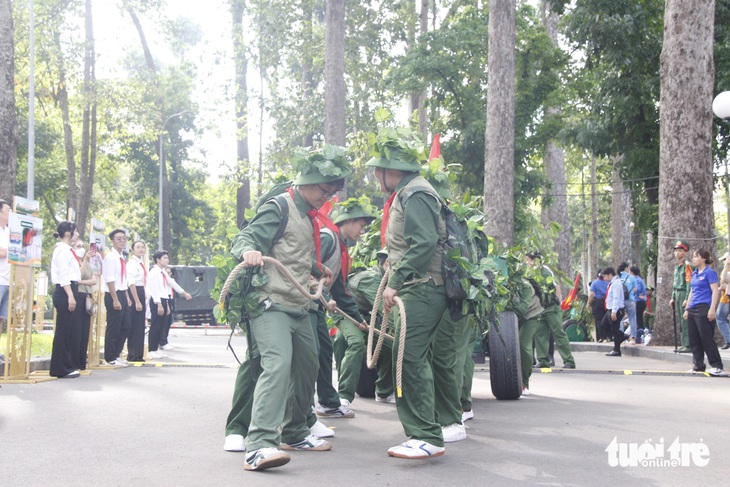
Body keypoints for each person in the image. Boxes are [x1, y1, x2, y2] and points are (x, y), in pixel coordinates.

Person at [224, 146, 347, 471]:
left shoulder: (308, 216)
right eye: (325, 189)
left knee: (309, 363)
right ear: (307, 181)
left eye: (332, 191)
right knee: (277, 364)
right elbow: (245, 236)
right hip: (270, 303)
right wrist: (249, 250)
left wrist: (317, 269)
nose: (328, 196)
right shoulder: (279, 207)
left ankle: (294, 431)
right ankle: (260, 444)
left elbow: (291, 252)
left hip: (299, 304)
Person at [366, 137, 452, 459]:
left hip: (424, 286)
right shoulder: (410, 191)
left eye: (378, 171)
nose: (376, 177)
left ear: (392, 171)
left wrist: (396, 280)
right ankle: (425, 431)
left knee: (410, 358)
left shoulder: (415, 192)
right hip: (421, 285)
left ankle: (426, 435)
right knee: (414, 357)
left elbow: (425, 242)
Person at [313, 200, 374, 423]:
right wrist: (325, 298)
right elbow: (306, 267)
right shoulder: (328, 237)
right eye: (360, 225)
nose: (362, 230)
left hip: (317, 306)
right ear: (347, 221)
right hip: (306, 302)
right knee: (311, 355)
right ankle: (304, 412)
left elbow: (340, 289)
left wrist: (358, 320)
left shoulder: (341, 247)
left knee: (324, 350)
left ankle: (329, 403)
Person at [334, 249, 394, 407]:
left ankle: (384, 392)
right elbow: (385, 309)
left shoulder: (384, 278)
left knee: (389, 347)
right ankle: (343, 395)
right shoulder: (372, 279)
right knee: (353, 343)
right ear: (387, 262)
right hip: (346, 314)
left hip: (366, 319)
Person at [527, 252, 576, 369]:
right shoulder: (530, 273)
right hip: (539, 308)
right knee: (540, 335)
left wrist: (559, 301)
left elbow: (556, 285)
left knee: (558, 333)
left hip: (551, 307)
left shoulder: (545, 271)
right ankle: (543, 361)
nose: (526, 263)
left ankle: (569, 361)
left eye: (528, 260)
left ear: (535, 260)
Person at [683, 249, 725, 376]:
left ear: (704, 259)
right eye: (693, 257)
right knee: (694, 339)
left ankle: (717, 366)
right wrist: (687, 309)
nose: (694, 259)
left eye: (696, 257)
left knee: (706, 338)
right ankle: (698, 365)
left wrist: (712, 308)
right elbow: (692, 291)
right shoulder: (695, 273)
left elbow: (715, 291)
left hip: (704, 307)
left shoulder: (709, 273)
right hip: (693, 308)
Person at [50, 222, 83, 378]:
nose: (78, 234)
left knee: (69, 330)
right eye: (76, 231)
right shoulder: (62, 250)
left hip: (71, 289)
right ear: (68, 233)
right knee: (63, 331)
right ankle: (60, 368)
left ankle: (67, 365)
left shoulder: (68, 250)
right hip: (65, 290)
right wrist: (70, 295)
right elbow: (63, 275)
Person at [146, 250, 191, 359]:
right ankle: (151, 349)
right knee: (155, 326)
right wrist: (159, 304)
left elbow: (172, 283)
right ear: (158, 260)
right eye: (164, 258)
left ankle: (156, 348)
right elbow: (154, 289)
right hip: (157, 300)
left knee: (161, 325)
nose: (167, 260)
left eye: (167, 258)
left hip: (163, 299)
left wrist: (183, 293)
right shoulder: (154, 272)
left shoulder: (163, 272)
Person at [102, 229, 132, 366]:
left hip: (122, 293)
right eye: (118, 239)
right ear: (112, 241)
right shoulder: (110, 257)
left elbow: (123, 280)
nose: (122, 241)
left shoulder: (121, 257)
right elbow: (110, 280)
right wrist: (115, 299)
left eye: (124, 238)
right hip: (113, 294)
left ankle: (117, 353)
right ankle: (110, 357)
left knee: (126, 325)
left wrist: (126, 297)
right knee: (114, 327)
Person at [73, 240, 99, 370]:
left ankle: (81, 361)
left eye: (83, 246)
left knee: (85, 330)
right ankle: (74, 361)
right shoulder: (75, 262)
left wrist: (82, 282)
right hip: (78, 295)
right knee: (77, 330)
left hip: (87, 296)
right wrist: (82, 281)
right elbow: (77, 275)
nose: (82, 249)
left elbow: (94, 280)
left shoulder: (87, 263)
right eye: (78, 246)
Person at [126, 241, 147, 362]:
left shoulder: (140, 263)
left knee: (140, 325)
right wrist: (137, 301)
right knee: (134, 325)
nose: (140, 249)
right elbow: (131, 283)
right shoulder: (132, 264)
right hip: (134, 292)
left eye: (142, 247)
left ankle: (138, 354)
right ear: (133, 249)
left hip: (140, 290)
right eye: (138, 247)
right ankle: (133, 353)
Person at [670, 240, 693, 352]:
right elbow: (675, 283)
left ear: (685, 252)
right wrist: (673, 297)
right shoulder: (677, 267)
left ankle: (688, 344)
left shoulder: (687, 266)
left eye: (680, 251)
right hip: (677, 293)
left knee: (685, 320)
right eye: (676, 251)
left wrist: (687, 298)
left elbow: (689, 283)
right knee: (680, 320)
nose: (677, 253)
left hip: (684, 293)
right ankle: (684, 343)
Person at [602, 267, 626, 357]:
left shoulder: (616, 284)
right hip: (610, 308)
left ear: (610, 275)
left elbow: (616, 298)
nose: (604, 279)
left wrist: (614, 311)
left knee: (615, 329)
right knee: (604, 325)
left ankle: (617, 350)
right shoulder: (611, 283)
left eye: (605, 277)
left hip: (616, 309)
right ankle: (622, 336)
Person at [617, 262, 637, 344]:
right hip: (630, 300)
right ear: (626, 268)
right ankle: (633, 338)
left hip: (620, 301)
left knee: (620, 319)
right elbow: (635, 289)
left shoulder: (618, 277)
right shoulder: (631, 277)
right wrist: (630, 293)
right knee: (632, 318)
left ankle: (621, 338)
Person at [714, 254, 730, 349]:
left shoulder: (727, 270)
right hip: (726, 297)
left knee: (720, 317)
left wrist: (726, 266)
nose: (724, 261)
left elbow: (724, 280)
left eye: (724, 260)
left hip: (726, 299)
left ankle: (728, 340)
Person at [587, 271, 608, 342]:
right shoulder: (608, 283)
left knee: (599, 320)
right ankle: (608, 336)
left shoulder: (594, 283)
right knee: (607, 319)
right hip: (607, 302)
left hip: (598, 302)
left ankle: (601, 337)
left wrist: (588, 304)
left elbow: (591, 295)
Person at [631, 266, 647, 341]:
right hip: (639, 301)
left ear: (632, 272)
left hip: (639, 301)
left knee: (638, 320)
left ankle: (639, 336)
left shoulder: (636, 280)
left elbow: (637, 290)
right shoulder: (639, 279)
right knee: (638, 319)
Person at [0, 199, 9, 332]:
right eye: (8, 211)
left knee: (1, 317)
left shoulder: (10, 231)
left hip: (7, 280)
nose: (10, 214)